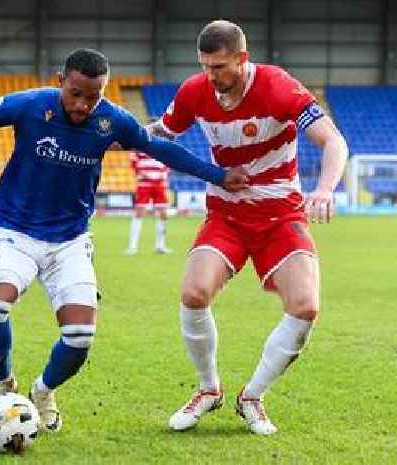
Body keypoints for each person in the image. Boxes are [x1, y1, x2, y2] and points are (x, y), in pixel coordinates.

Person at [0, 48, 248, 435]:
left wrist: (217, 175)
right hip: (14, 231)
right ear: (61, 83)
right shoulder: (29, 105)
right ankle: (4, 383)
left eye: (94, 97)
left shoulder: (113, 121)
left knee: (80, 338)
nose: (83, 106)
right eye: (76, 94)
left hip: (70, 241)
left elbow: (160, 148)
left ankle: (42, 392)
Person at [148, 20, 348, 435]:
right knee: (193, 292)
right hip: (227, 215)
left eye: (219, 67)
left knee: (306, 306)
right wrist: (106, 136)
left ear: (242, 58)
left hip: (281, 217)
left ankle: (252, 396)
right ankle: (208, 390)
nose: (211, 76)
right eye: (205, 66)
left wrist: (325, 188)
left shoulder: (279, 87)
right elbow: (157, 134)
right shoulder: (194, 91)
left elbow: (333, 141)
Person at [126, 148, 171, 254]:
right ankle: (132, 247)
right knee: (139, 212)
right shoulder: (140, 144)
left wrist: (164, 174)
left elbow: (167, 161)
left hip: (160, 183)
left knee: (163, 214)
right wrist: (141, 173)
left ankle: (160, 246)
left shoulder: (161, 144)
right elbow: (133, 160)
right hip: (144, 183)